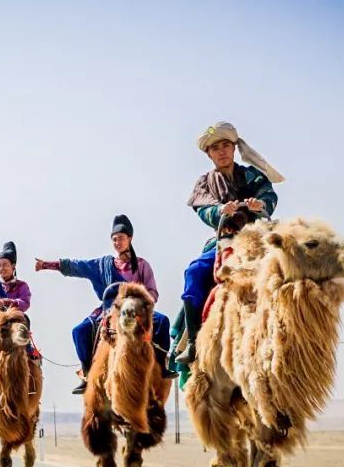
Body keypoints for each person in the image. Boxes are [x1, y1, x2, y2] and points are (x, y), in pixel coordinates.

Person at [174, 122, 282, 366]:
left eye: (225, 145)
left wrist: (260, 204)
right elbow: (203, 210)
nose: (221, 151)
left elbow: (269, 197)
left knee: (290, 269)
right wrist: (219, 211)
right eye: (215, 148)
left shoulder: (254, 175)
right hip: (224, 241)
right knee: (194, 273)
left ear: (234, 148)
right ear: (208, 154)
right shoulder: (205, 183)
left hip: (257, 238)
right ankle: (191, 342)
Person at [36, 213, 173, 394]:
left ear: (130, 239)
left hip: (136, 310)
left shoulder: (141, 265)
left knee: (163, 322)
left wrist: (142, 303)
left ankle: (162, 365)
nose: (117, 242)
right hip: (109, 310)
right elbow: (76, 266)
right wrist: (47, 265)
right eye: (114, 239)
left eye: (121, 238)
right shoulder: (102, 265)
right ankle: (87, 373)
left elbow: (153, 292)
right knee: (79, 331)